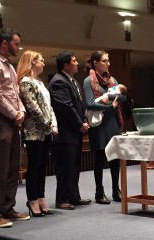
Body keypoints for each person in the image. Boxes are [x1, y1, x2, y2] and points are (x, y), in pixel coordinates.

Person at [0, 28, 30, 228]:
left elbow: (15, 94)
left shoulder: (9, 66)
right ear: (4, 43)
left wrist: (22, 112)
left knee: (12, 166)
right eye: (16, 44)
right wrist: (15, 114)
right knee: (1, 168)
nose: (18, 47)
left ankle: (8, 208)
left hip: (12, 119)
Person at [48, 50, 91, 210]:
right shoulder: (59, 81)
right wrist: (80, 123)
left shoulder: (71, 80)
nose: (77, 63)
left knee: (74, 166)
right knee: (65, 167)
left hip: (73, 132)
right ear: (66, 65)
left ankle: (73, 195)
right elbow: (65, 107)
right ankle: (62, 199)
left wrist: (84, 120)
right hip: (65, 133)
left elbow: (79, 105)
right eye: (74, 61)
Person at [17, 50, 58, 217]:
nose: (43, 63)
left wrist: (53, 123)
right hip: (34, 131)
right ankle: (32, 198)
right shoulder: (26, 82)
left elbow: (49, 106)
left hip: (46, 130)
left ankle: (41, 196)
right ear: (32, 62)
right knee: (34, 166)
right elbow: (33, 107)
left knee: (43, 166)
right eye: (40, 60)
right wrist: (47, 124)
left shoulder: (40, 82)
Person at [83, 50, 126, 204]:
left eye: (108, 60)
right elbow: (89, 103)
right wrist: (110, 104)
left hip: (112, 123)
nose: (108, 63)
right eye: (105, 61)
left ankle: (116, 189)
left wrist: (110, 97)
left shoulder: (112, 79)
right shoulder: (89, 81)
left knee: (115, 157)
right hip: (99, 124)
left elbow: (123, 96)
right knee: (99, 158)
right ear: (95, 63)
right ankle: (99, 192)